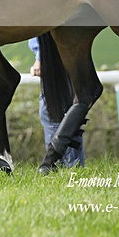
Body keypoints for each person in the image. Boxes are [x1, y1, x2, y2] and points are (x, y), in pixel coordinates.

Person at [28, 37, 84, 167]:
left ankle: (64, 166)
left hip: (54, 53)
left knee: (55, 111)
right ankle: (69, 166)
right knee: (62, 109)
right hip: (65, 50)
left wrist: (40, 56)